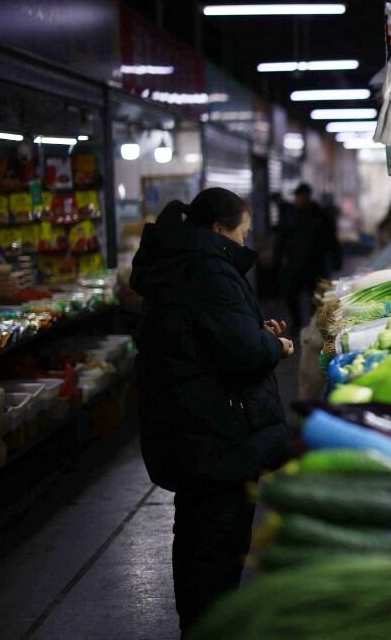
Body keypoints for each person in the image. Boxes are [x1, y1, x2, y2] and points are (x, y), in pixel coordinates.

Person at [129, 187, 295, 635]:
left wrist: (252, 331)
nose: (245, 243)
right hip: (216, 433)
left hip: (190, 427)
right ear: (219, 230)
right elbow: (238, 351)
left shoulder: (182, 264)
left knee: (198, 538)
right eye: (242, 233)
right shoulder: (208, 270)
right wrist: (272, 345)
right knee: (215, 547)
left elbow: (206, 335)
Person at [275, 183, 343, 336]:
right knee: (291, 296)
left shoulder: (320, 215)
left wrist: (336, 258)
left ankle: (314, 325)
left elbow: (331, 239)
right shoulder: (290, 215)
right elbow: (280, 239)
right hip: (294, 265)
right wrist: (277, 259)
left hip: (316, 265)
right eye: (297, 197)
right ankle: (297, 323)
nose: (298, 200)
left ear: (307, 196)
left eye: (301, 196)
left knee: (317, 299)